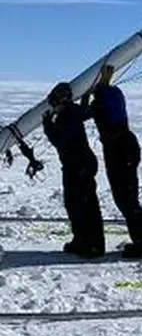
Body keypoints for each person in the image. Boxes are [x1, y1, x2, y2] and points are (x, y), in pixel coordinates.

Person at [82, 65, 142, 260]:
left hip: (121, 150)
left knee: (127, 198)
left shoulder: (108, 98)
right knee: (125, 198)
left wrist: (88, 94)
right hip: (121, 148)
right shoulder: (111, 96)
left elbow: (84, 114)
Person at [42, 82, 105, 258]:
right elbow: (85, 112)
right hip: (78, 164)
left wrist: (48, 128)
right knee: (77, 204)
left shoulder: (67, 116)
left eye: (55, 103)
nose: (54, 107)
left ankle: (92, 244)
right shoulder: (73, 112)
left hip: (78, 165)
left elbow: (62, 143)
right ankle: (83, 240)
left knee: (84, 205)